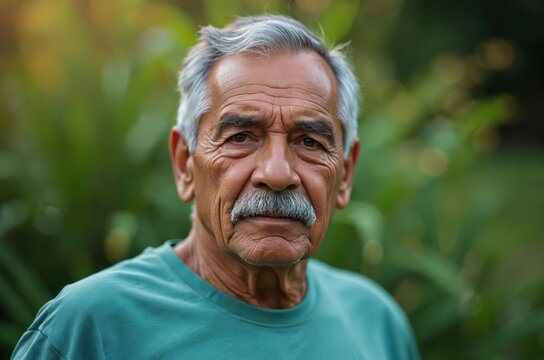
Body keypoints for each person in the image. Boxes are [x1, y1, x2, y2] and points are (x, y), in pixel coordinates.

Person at [12, 15, 419, 359]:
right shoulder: (91, 328)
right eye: (241, 137)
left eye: (309, 142)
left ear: (344, 174)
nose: (277, 173)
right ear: (185, 163)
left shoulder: (376, 323)